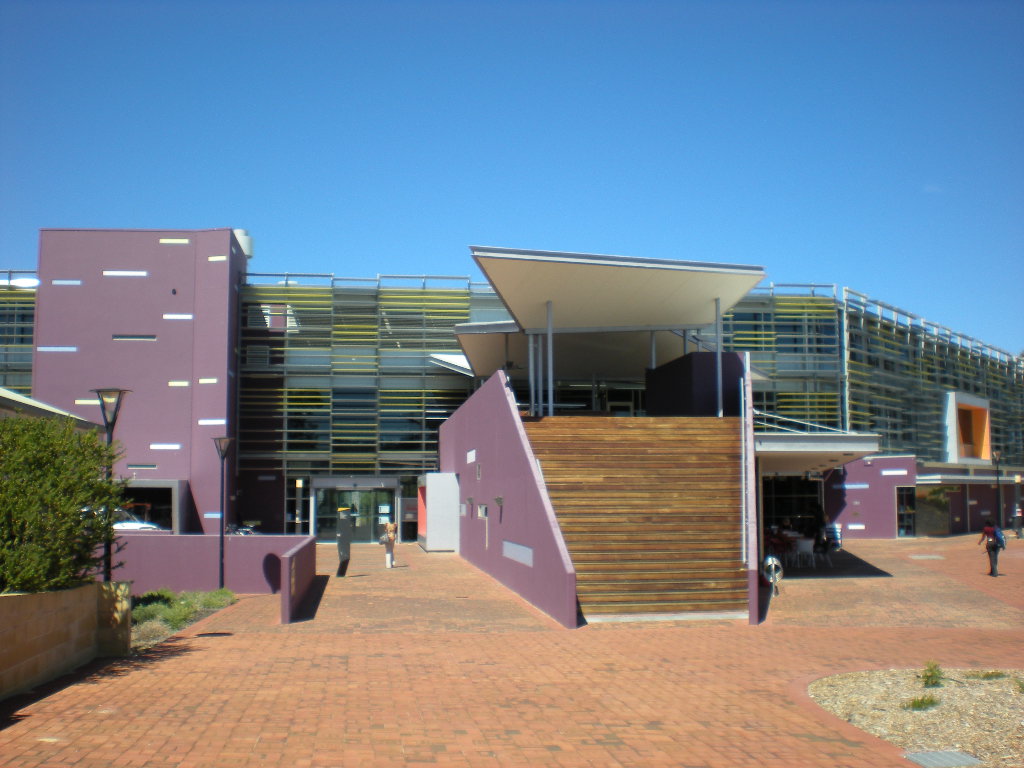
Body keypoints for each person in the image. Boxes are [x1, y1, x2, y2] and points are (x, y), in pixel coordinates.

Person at [336, 506, 353, 577]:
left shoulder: (346, 521)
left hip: (346, 540)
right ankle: (340, 574)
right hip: (342, 541)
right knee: (344, 557)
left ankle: (342, 574)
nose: (346, 514)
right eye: (345, 512)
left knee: (347, 557)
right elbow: (340, 532)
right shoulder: (341, 521)